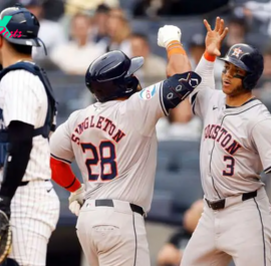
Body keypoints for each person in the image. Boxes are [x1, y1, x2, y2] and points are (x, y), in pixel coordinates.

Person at [49, 25, 201, 266]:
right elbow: (186, 78)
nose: (135, 76)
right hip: (120, 219)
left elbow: (55, 162)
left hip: (88, 219)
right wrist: (172, 42)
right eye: (130, 74)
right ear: (121, 84)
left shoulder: (77, 117)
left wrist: (76, 189)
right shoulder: (137, 107)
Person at [179, 17, 271, 266]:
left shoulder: (260, 120)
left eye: (236, 72)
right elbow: (196, 87)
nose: (227, 76)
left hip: (245, 214)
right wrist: (209, 54)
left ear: (250, 79)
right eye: (226, 69)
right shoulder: (213, 100)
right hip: (209, 215)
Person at [0, 4, 60, 265]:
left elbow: (21, 142)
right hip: (17, 193)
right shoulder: (26, 76)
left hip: (22, 197)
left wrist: (4, 201)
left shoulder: (18, 78)